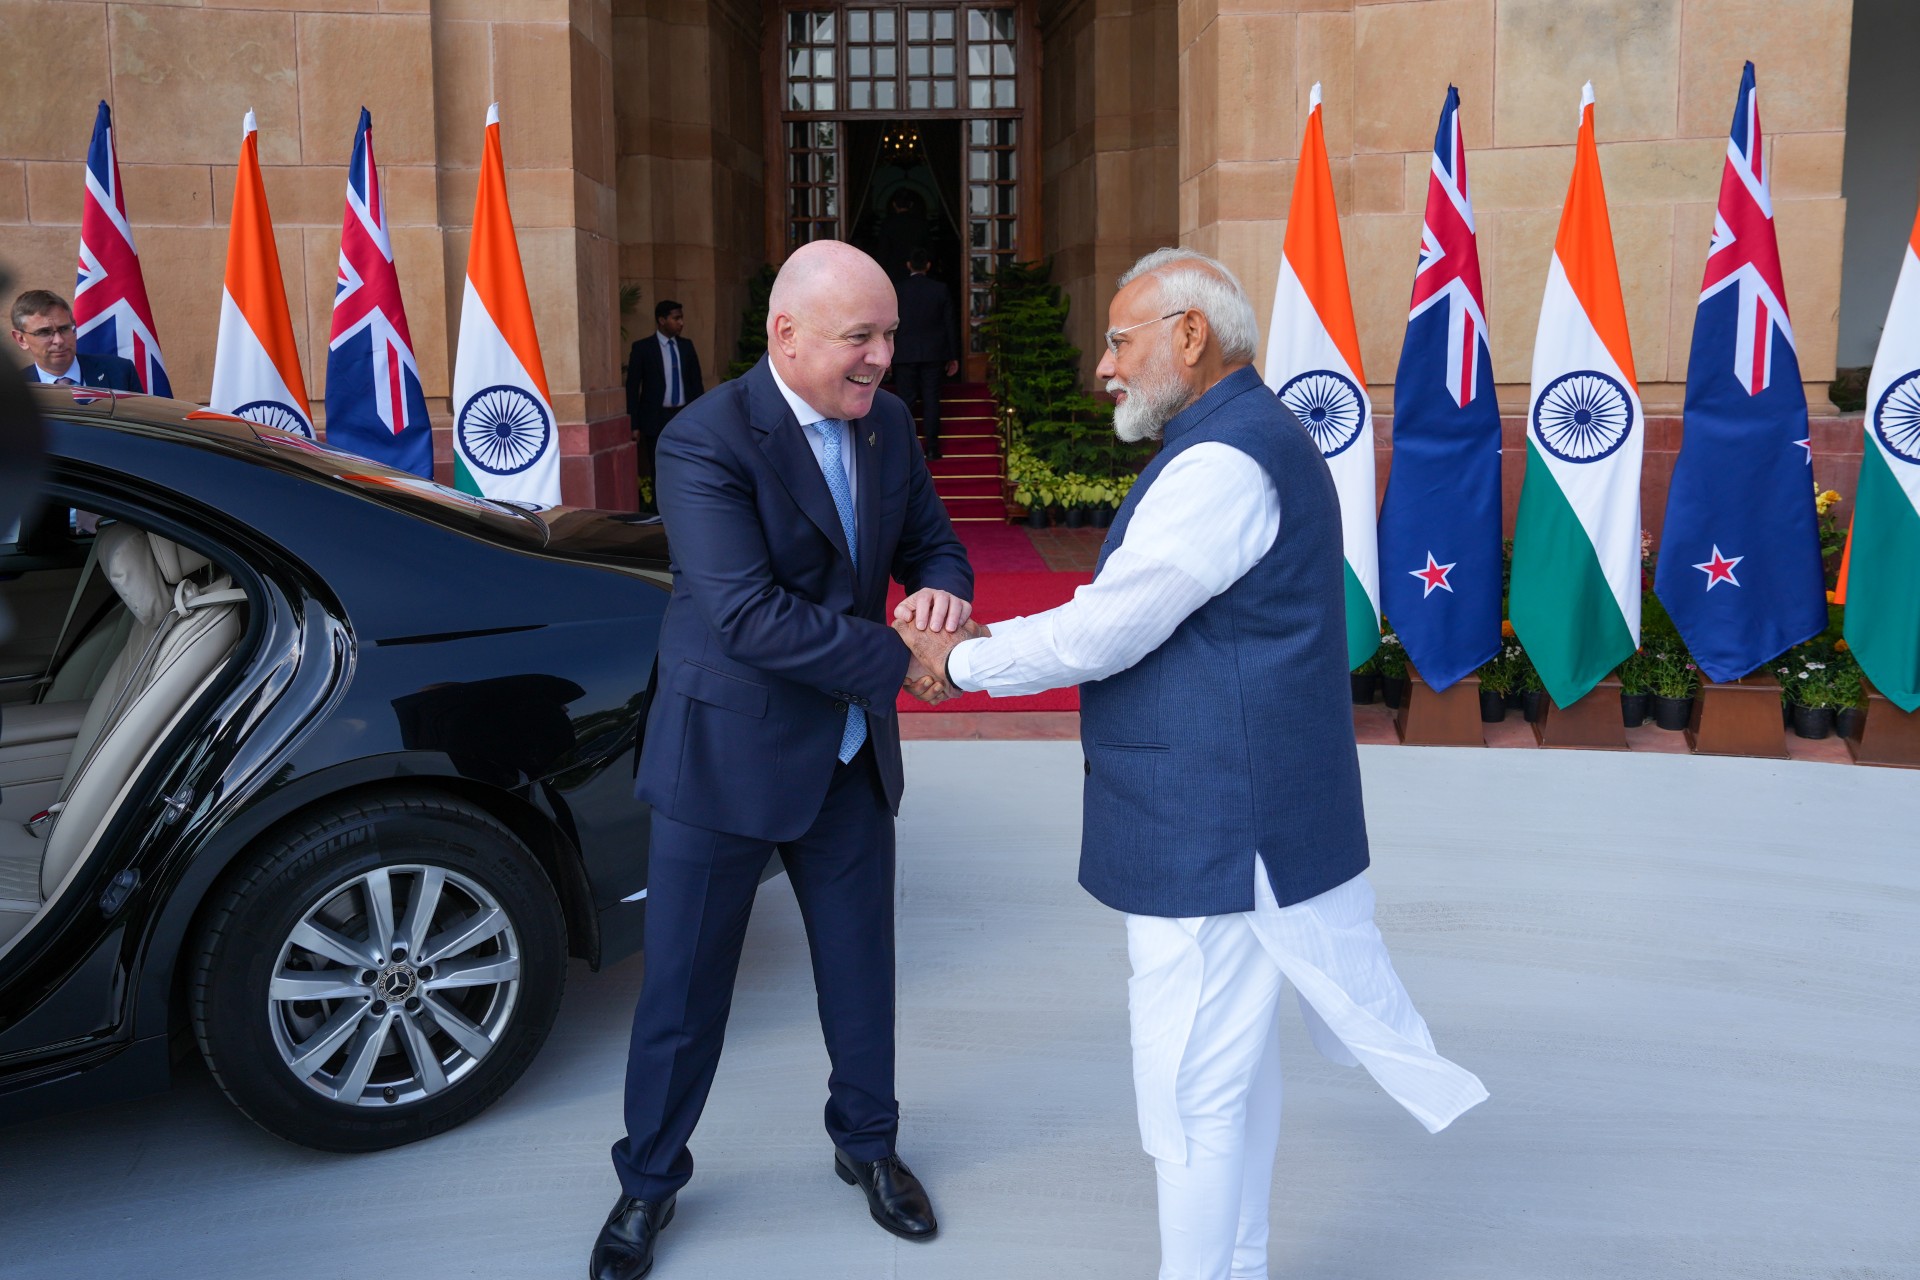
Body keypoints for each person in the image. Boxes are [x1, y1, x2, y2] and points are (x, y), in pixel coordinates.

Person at [894, 248, 1487, 1280]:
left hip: (1215, 828)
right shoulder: (1247, 435)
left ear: (1189, 335)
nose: (1105, 368)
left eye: (1120, 340)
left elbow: (1105, 630)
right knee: (1229, 1069)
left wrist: (963, 658)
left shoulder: (1222, 460)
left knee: (1189, 1086)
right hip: (1241, 817)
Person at [592, 240, 976, 1280]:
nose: (884, 359)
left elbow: (935, 543)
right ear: (786, 333)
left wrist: (942, 594)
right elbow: (749, 616)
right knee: (682, 990)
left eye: (891, 335)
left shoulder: (890, 425)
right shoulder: (707, 438)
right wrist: (907, 654)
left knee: (862, 974)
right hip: (725, 757)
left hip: (846, 755)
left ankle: (870, 1146)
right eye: (863, 336)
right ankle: (648, 1181)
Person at [625, 299, 704, 495]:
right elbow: (633, 387)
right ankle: (659, 513)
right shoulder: (643, 348)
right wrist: (634, 424)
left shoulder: (687, 346)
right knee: (657, 468)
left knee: (687, 464)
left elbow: (696, 384)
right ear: (661, 320)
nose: (681, 323)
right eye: (676, 318)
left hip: (684, 416)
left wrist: (701, 419)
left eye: (681, 318)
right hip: (655, 418)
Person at [892, 248, 957, 459]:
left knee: (905, 401)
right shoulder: (940, 289)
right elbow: (950, 324)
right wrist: (953, 355)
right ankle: (932, 448)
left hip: (904, 353)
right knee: (931, 400)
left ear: (908, 265)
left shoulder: (898, 290)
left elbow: (890, 325)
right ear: (928, 265)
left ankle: (906, 448)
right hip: (933, 354)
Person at [11, 290, 139, 390]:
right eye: (44, 332)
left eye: (64, 329)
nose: (59, 341)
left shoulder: (120, 372)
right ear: (21, 339)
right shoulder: (11, 391)